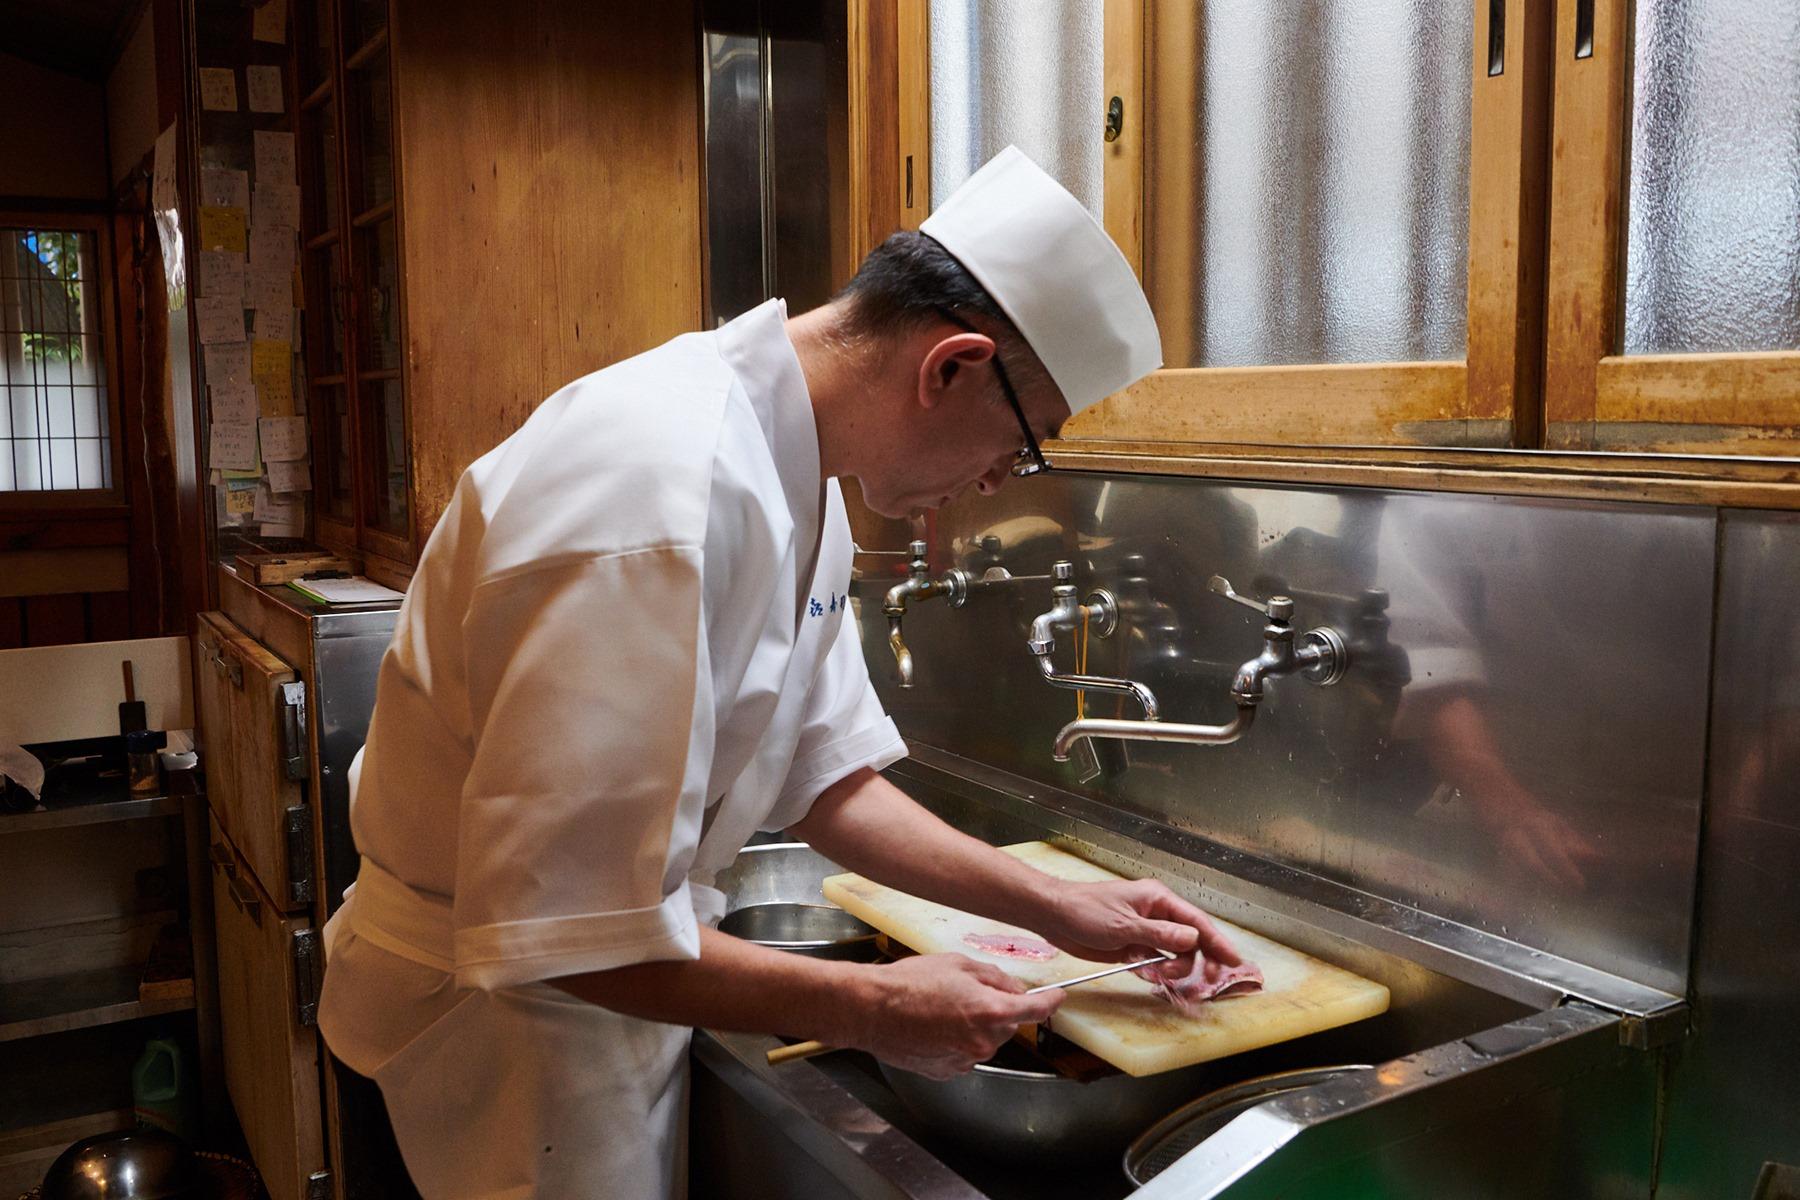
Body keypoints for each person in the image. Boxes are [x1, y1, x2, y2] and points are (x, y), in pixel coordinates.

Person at [316, 146, 1243, 1198]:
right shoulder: (654, 486)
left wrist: (1067, 910)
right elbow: (561, 928)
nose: (998, 483)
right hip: (498, 1035)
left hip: (598, 999)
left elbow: (824, 778)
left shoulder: (801, 477)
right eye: (1022, 446)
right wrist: (878, 1008)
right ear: (949, 367)